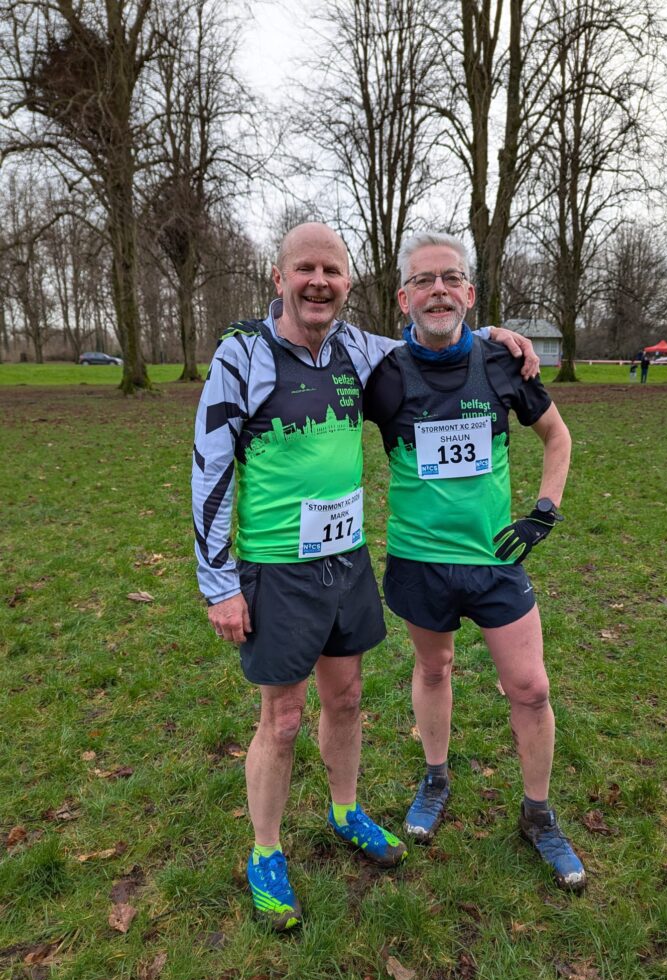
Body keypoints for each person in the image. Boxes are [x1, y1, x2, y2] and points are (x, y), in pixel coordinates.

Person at [191, 222, 539, 930]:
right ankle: (265, 852)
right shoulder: (242, 355)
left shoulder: (359, 349)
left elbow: (435, 334)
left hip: (345, 561)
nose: (318, 281)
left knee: (346, 699)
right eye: (305, 268)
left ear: (349, 283)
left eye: (332, 270)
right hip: (276, 569)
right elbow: (210, 468)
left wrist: (494, 335)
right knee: (282, 719)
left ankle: (345, 811)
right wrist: (219, 582)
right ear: (278, 278)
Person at [364, 231, 586, 892]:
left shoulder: (501, 361)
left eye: (450, 278)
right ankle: (435, 779)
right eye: (423, 280)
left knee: (531, 688)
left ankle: (538, 816)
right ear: (402, 297)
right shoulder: (383, 374)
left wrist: (544, 510)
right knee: (434, 668)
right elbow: (315, 374)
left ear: (469, 292)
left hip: (494, 560)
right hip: (417, 559)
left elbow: (556, 437)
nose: (438, 290)